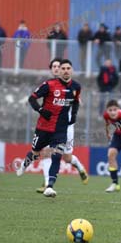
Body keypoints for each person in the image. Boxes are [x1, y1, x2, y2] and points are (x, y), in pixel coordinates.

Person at [16, 58, 82, 198]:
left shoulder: (76, 87)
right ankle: (24, 164)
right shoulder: (49, 85)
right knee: (35, 153)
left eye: (68, 68)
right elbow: (32, 98)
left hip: (60, 130)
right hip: (44, 128)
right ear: (59, 71)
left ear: (72, 70)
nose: (65, 71)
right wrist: (41, 110)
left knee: (56, 156)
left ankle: (50, 186)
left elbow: (76, 102)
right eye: (63, 68)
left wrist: (74, 115)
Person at [35, 58, 89, 192]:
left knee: (67, 157)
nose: (56, 68)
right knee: (46, 153)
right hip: (49, 126)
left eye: (58, 66)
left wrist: (73, 108)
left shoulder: (72, 86)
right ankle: (47, 184)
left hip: (66, 127)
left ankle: (79, 167)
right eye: (54, 66)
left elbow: (77, 101)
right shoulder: (49, 85)